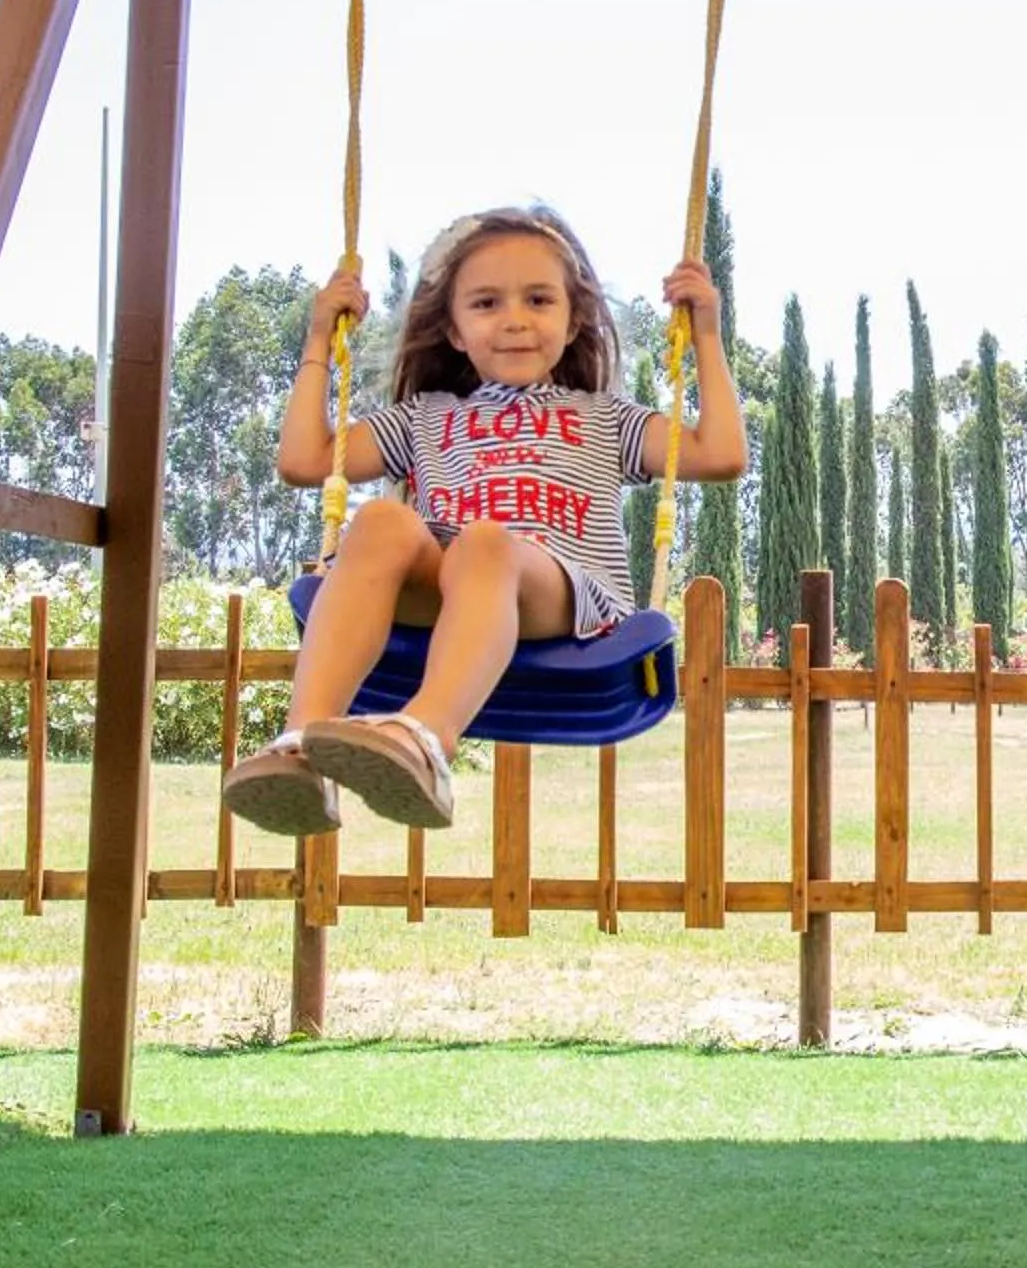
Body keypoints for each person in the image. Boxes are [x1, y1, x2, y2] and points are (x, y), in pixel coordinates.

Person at [222, 203, 743, 835]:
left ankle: (425, 739)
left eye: (539, 300)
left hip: (563, 600)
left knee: (485, 544)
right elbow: (306, 461)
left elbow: (720, 454)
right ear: (454, 329)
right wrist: (317, 341)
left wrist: (706, 334)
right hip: (451, 588)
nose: (515, 320)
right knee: (382, 523)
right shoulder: (424, 416)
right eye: (487, 303)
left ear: (574, 318)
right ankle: (300, 745)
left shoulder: (606, 418)